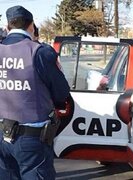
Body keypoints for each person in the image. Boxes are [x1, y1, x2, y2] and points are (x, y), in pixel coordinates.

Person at [0, 5, 72, 180]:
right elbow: (61, 94)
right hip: (31, 139)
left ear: (8, 26)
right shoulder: (40, 52)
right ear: (31, 26)